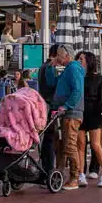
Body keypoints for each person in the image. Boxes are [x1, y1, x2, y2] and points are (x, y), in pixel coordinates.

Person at [49, 44, 86, 189]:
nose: (58, 58)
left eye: (60, 55)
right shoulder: (67, 70)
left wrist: (66, 105)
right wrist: (52, 68)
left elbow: (77, 91)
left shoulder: (73, 69)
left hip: (72, 113)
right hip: (67, 112)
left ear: (67, 56)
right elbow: (54, 83)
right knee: (65, 145)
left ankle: (75, 177)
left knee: (70, 145)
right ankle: (62, 174)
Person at [77, 51, 102, 187]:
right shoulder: (78, 76)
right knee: (80, 145)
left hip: (94, 115)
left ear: (88, 61)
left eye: (81, 59)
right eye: (78, 59)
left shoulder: (98, 79)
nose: (79, 61)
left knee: (96, 145)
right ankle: (81, 174)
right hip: (80, 113)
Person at [37, 45, 63, 175]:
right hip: (49, 104)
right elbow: (52, 84)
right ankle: (48, 168)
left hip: (44, 103)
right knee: (49, 138)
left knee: (47, 138)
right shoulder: (49, 67)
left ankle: (45, 166)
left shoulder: (43, 66)